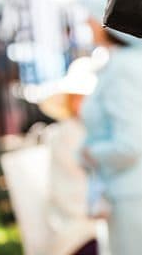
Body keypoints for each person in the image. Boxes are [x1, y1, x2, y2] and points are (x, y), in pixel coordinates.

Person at [77, 0, 142, 255]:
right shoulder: (126, 63)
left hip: (134, 196)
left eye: (91, 14)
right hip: (128, 193)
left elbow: (129, 145)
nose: (86, 22)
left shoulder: (125, 69)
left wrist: (88, 153)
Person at [38, 57, 99, 255]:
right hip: (78, 224)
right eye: (76, 98)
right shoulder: (67, 133)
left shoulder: (95, 131)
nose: (80, 104)